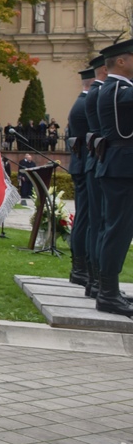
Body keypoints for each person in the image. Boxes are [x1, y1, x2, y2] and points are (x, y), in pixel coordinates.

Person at [93, 40, 133, 317]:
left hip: (120, 167)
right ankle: (107, 293)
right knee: (117, 230)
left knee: (118, 230)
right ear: (121, 61)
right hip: (122, 167)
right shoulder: (119, 89)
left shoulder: (119, 88)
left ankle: (109, 289)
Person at [65, 67, 96, 289]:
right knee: (85, 218)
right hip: (85, 166)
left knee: (84, 218)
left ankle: (80, 268)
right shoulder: (85, 104)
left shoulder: (82, 102)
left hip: (82, 164)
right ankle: (80, 268)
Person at [83, 55, 107, 299]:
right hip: (104, 164)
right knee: (102, 224)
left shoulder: (96, 93)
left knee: (96, 222)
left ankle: (95, 280)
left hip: (96, 163)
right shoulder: (100, 94)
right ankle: (101, 284)